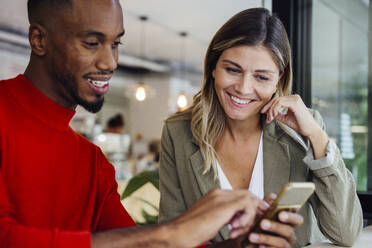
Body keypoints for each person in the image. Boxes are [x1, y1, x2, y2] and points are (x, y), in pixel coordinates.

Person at [0, 1, 302, 248]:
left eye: (116, 43)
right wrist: (171, 232)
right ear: (39, 40)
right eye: (92, 43)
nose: (110, 62)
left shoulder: (92, 163)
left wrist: (240, 245)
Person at [158, 7, 363, 248]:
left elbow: (345, 232)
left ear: (279, 79)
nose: (244, 88)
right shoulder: (178, 132)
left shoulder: (302, 130)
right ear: (213, 68)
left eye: (262, 77)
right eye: (233, 70)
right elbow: (170, 237)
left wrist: (317, 137)